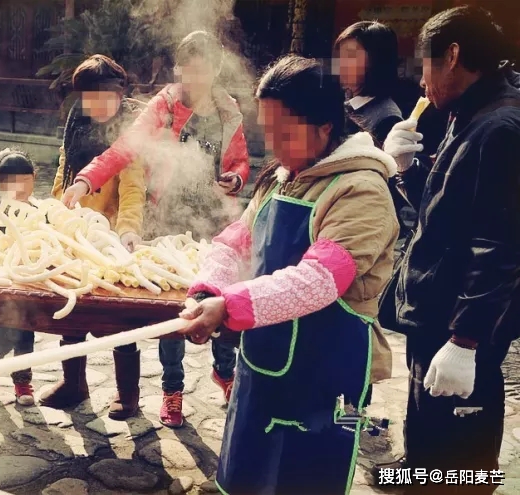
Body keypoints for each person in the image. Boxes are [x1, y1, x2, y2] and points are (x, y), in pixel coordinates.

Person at [177, 54, 398, 494]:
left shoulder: (361, 190)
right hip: (265, 359)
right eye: (268, 131)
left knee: (306, 476)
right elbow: (234, 241)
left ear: (324, 127)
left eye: (285, 133)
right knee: (248, 469)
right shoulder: (284, 178)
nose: (273, 145)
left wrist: (230, 305)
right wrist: (206, 290)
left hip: (326, 371)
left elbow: (318, 280)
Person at [61, 31, 250, 428]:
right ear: (178, 69)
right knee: (174, 311)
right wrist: (84, 181)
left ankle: (226, 372)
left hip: (214, 221)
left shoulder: (229, 112)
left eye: (202, 72)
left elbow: (239, 161)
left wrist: (234, 178)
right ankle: (172, 390)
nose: (193, 81)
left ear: (216, 69)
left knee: (225, 306)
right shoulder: (163, 106)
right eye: (187, 71)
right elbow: (124, 148)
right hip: (167, 219)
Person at [372, 7, 520, 493]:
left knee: (462, 436)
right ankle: (419, 473)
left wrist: (466, 342)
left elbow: (498, 245)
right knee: (429, 419)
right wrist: (406, 171)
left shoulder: (501, 128)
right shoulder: (467, 115)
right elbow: (448, 214)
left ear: (453, 55)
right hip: (437, 311)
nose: (421, 83)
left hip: (462, 320)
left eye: (425, 65)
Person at [39, 55, 146, 419]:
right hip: (75, 238)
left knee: (120, 320)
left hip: (111, 238)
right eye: (90, 97)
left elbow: (133, 191)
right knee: (71, 313)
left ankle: (127, 395)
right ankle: (74, 383)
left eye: (106, 97)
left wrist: (128, 229)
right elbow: (62, 179)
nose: (98, 105)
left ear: (120, 96)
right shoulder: (74, 131)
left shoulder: (129, 138)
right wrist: (57, 215)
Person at [0, 148, 38, 406]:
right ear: (1, 186)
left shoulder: (40, 212)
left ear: (34, 178)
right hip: (2, 285)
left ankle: (22, 380)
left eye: (26, 181)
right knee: (4, 336)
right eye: (13, 183)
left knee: (26, 335)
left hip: (31, 282)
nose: (20, 189)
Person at [335, 21, 404, 145]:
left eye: (350, 55)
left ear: (377, 60)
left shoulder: (387, 118)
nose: (341, 63)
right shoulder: (342, 101)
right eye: (340, 55)